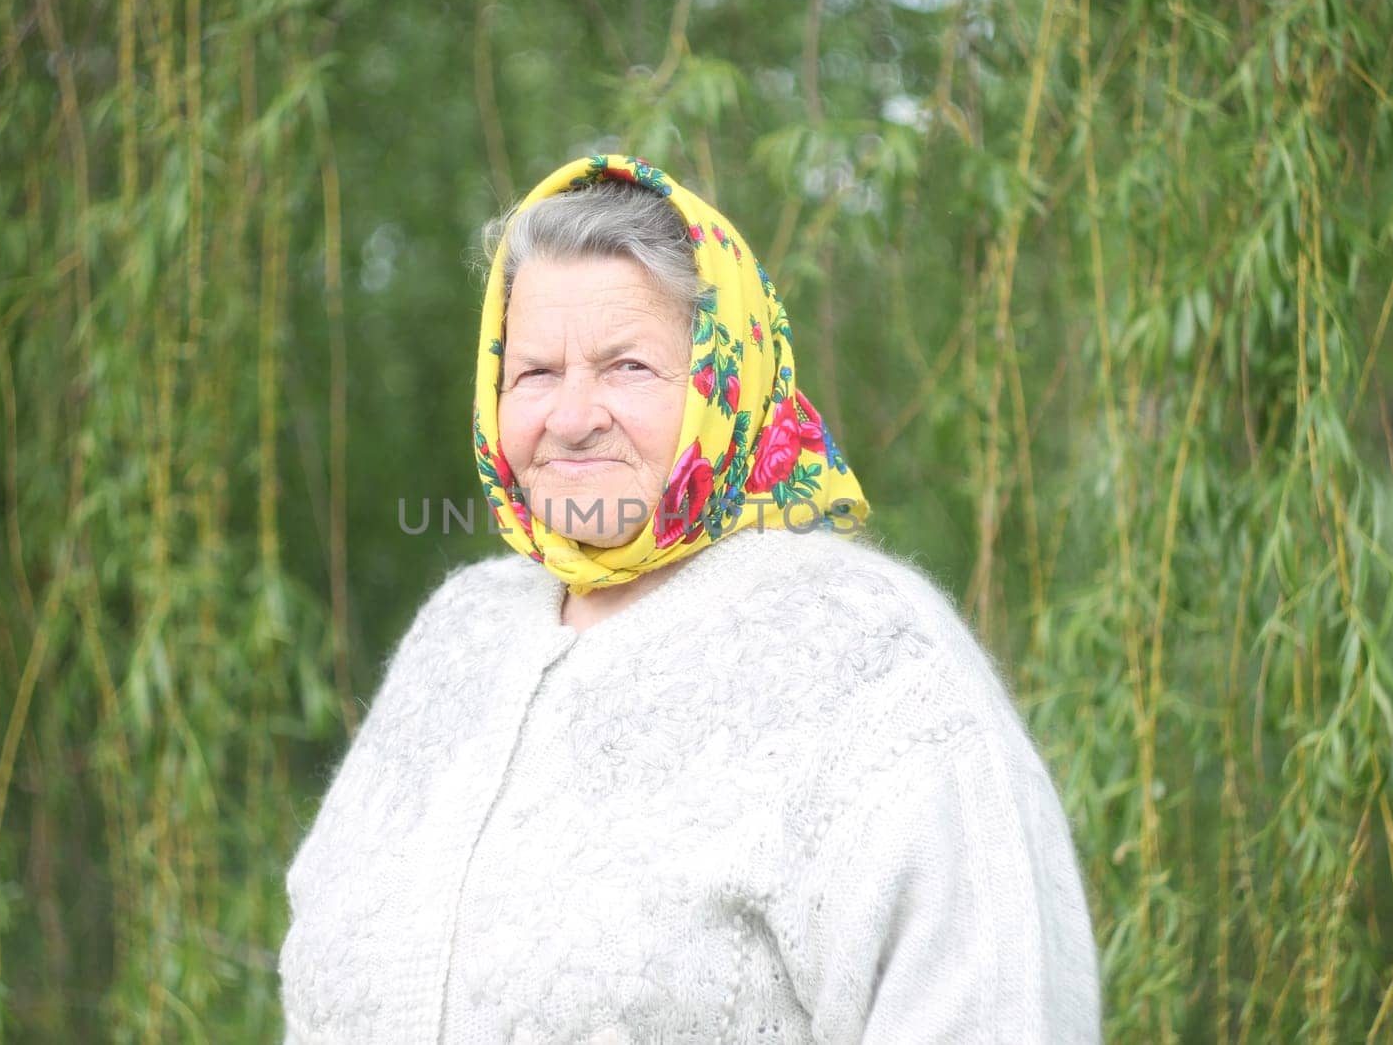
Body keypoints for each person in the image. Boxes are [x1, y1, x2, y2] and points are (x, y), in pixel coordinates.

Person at [278, 154, 1101, 1043]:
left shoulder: (875, 664)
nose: (572, 414)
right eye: (536, 372)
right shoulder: (459, 635)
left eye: (626, 366)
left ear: (726, 379)